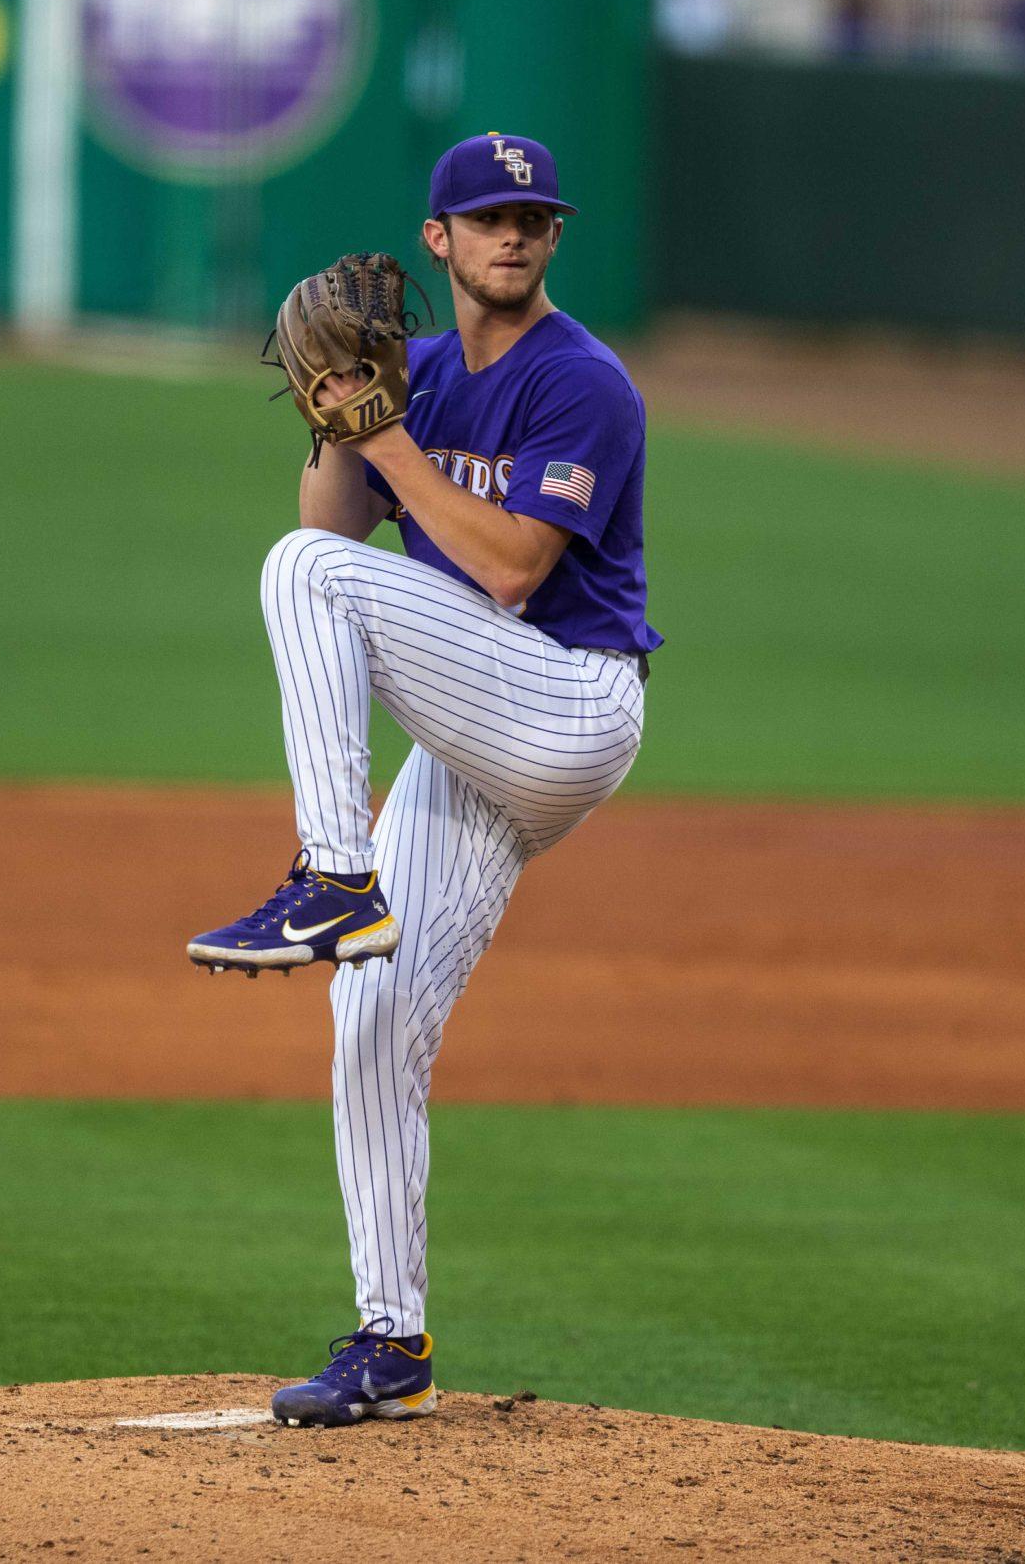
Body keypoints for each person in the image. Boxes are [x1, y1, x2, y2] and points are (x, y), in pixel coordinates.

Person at [188, 132, 661, 1428]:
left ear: (554, 238)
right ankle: (393, 1341)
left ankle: (334, 875)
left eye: (536, 216)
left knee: (295, 579)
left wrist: (388, 440)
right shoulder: (426, 375)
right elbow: (333, 527)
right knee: (373, 1014)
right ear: (439, 239)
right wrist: (338, 413)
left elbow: (509, 571)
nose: (515, 233)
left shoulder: (585, 384)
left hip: (567, 699)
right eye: (489, 216)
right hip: (476, 724)